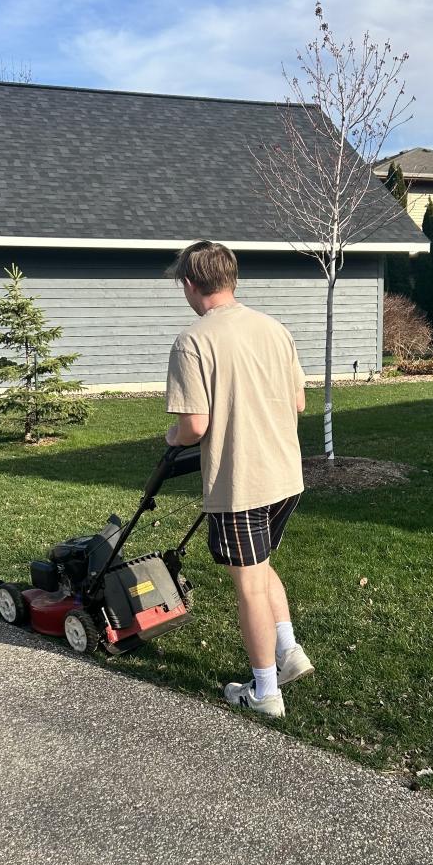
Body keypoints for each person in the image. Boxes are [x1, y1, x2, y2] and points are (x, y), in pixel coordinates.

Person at [165, 240, 313, 717]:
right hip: (285, 475)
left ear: (190, 284)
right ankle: (289, 651)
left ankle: (265, 691)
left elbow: (194, 426)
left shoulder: (193, 341)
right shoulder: (275, 329)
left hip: (242, 481)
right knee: (259, 565)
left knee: (248, 584)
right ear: (231, 278)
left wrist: (171, 435)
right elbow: (298, 402)